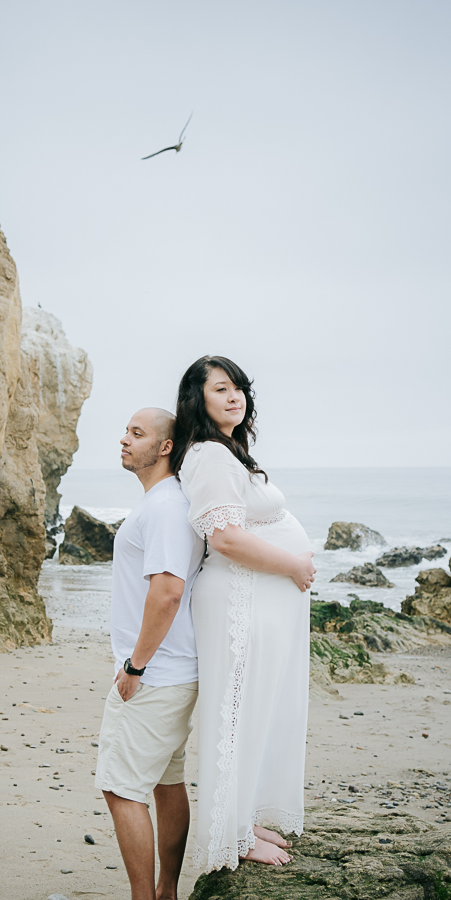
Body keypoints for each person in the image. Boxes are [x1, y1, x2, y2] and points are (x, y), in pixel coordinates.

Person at [171, 356, 316, 873]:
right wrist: (295, 565)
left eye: (240, 389)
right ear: (198, 399)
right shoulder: (209, 455)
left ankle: (243, 818)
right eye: (221, 388)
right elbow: (226, 538)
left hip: (253, 599)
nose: (235, 397)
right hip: (237, 600)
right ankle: (231, 835)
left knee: (253, 709)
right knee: (235, 714)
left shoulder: (226, 451)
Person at [86, 408, 203, 900]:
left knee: (120, 786)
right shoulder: (165, 502)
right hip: (174, 671)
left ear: (165, 445)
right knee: (165, 781)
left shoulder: (166, 505)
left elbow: (168, 591)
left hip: (155, 676)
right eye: (126, 431)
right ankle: (165, 899)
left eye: (136, 433)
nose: (124, 439)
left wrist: (134, 667)